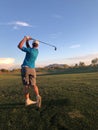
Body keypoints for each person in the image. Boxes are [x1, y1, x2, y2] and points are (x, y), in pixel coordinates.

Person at [18, 36, 41, 108]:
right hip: (32, 69)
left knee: (26, 85)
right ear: (38, 45)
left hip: (26, 68)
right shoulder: (36, 51)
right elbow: (29, 47)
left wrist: (25, 38)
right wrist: (27, 41)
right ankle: (38, 96)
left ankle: (27, 100)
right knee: (34, 84)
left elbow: (19, 46)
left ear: (33, 44)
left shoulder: (30, 50)